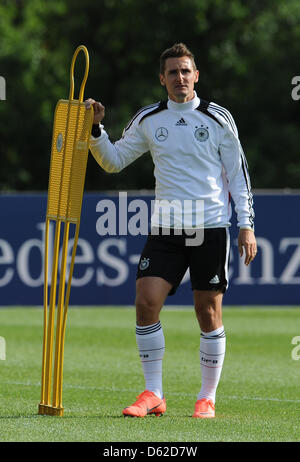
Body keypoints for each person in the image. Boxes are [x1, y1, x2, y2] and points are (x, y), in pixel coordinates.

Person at [85, 43, 257, 419]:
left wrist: (246, 225)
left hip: (210, 227)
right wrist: (95, 129)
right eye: (173, 72)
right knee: (146, 302)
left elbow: (238, 174)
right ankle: (154, 393)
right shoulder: (149, 119)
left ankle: (206, 397)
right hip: (166, 229)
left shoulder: (218, 118)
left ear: (196, 76)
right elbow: (113, 161)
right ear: (161, 79)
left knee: (207, 312)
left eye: (186, 71)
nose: (180, 78)